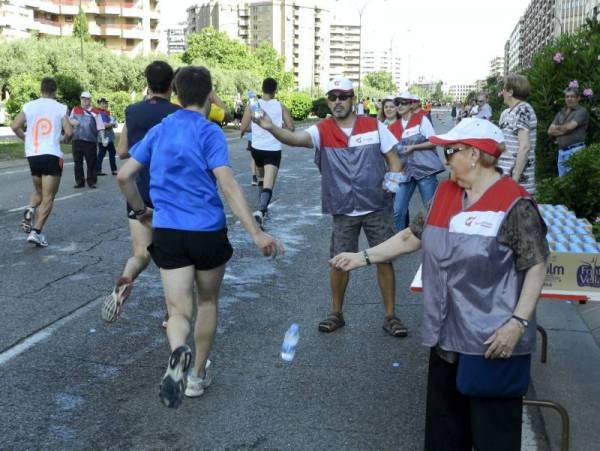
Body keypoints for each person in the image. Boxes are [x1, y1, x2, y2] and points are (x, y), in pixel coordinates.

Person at [330, 117, 549, 451]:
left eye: (450, 152)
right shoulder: (445, 195)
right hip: (446, 337)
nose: (444, 159)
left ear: (475, 154)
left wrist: (517, 323)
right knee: (444, 435)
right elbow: (410, 237)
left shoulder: (514, 204)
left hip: (491, 343)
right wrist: (362, 257)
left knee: (494, 437)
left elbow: (536, 264)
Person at [117, 65, 282, 408]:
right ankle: (195, 376)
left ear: (176, 95)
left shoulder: (161, 130)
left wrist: (140, 211)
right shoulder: (209, 133)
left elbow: (124, 175)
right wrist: (256, 232)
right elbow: (227, 183)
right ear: (210, 95)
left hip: (169, 232)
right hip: (206, 231)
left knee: (178, 311)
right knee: (207, 302)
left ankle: (179, 351)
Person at [255, 77, 408, 337]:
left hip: (376, 206)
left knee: (384, 260)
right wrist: (271, 128)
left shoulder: (374, 126)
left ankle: (391, 316)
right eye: (332, 97)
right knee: (339, 263)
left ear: (353, 99)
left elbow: (394, 159)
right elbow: (294, 139)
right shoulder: (322, 129)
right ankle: (336, 313)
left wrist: (391, 186)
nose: (337, 101)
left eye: (343, 96)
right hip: (343, 209)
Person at [102, 60, 180, 325]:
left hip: (137, 190)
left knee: (140, 254)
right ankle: (171, 316)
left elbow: (122, 151)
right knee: (171, 260)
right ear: (172, 84)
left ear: (147, 83)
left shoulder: (132, 111)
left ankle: (124, 281)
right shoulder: (177, 113)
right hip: (168, 193)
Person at [10, 77, 73, 247]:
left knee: (39, 192)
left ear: (41, 89)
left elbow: (14, 125)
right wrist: (67, 137)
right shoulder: (60, 108)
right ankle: (36, 232)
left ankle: (31, 208)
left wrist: (26, 139)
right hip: (51, 154)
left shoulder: (29, 106)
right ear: (55, 91)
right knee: (48, 197)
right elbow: (68, 131)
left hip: (33, 154)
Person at [240, 77, 294, 226]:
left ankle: (262, 208)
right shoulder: (280, 106)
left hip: (257, 149)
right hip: (273, 149)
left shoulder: (253, 105)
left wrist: (250, 129)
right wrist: (278, 125)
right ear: (275, 90)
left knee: (262, 179)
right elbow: (291, 127)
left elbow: (243, 127)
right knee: (268, 184)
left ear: (262, 89)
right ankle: (262, 211)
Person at [389, 92, 444, 231]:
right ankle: (399, 241)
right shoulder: (393, 126)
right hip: (405, 172)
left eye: (403, 102)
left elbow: (433, 141)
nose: (400, 106)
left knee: (430, 208)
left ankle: (432, 238)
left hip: (425, 170)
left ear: (411, 104)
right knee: (398, 210)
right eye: (397, 103)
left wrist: (414, 147)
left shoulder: (421, 119)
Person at [497, 74, 538, 195]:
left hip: (519, 181)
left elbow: (524, 146)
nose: (502, 92)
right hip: (503, 175)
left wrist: (514, 179)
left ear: (510, 92)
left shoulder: (523, 109)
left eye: (504, 89)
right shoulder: (505, 113)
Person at [547, 87, 589, 176]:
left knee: (575, 182)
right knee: (563, 183)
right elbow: (550, 131)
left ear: (578, 98)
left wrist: (559, 128)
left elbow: (570, 126)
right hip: (561, 152)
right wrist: (564, 129)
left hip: (576, 151)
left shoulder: (581, 111)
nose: (569, 99)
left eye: (572, 96)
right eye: (567, 97)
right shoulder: (560, 113)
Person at [69, 91, 105, 189]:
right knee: (77, 162)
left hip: (91, 141)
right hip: (77, 140)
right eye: (83, 98)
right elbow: (69, 120)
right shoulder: (75, 109)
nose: (85, 101)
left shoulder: (95, 111)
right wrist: (72, 122)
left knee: (91, 162)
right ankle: (79, 182)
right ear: (80, 99)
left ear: (90, 100)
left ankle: (92, 181)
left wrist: (103, 138)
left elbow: (100, 126)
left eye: (87, 99)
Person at [95, 98, 118, 176]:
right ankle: (113, 170)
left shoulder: (105, 112)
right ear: (99, 104)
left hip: (107, 136)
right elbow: (104, 125)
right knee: (107, 153)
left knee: (104, 153)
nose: (105, 105)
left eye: (105, 103)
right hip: (104, 137)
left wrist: (113, 123)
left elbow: (108, 123)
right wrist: (113, 123)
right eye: (103, 103)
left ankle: (99, 170)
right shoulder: (101, 113)